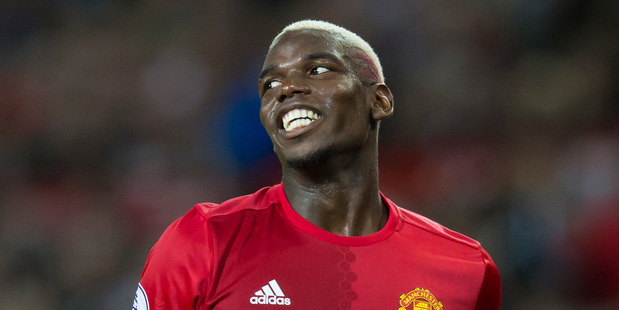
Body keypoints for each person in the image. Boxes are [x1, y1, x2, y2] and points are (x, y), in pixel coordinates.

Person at [132, 20, 501, 310]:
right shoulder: (204, 243)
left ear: (380, 101)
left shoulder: (465, 270)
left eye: (318, 70)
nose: (286, 88)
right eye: (270, 84)